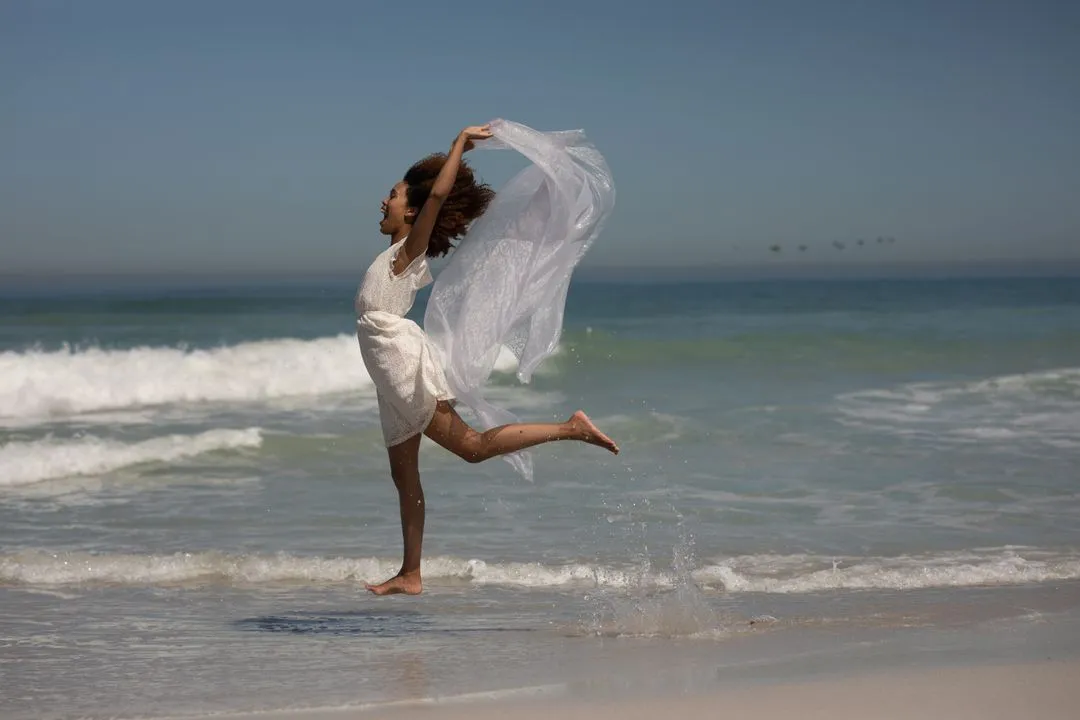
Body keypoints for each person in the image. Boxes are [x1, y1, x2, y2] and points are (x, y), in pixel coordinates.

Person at [355, 124, 619, 596]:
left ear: (412, 211)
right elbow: (430, 199)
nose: (384, 202)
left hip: (400, 364)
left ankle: (571, 428)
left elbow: (436, 199)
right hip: (387, 373)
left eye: (392, 195)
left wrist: (458, 143)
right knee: (403, 474)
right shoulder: (392, 255)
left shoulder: (406, 252)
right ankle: (410, 573)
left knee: (471, 447)